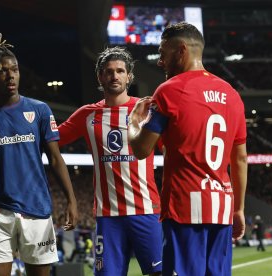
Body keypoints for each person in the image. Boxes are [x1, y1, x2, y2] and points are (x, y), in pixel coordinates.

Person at [128, 22, 247, 275]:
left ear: (181, 50)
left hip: (185, 207)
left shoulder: (170, 90)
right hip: (222, 207)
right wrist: (239, 209)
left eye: (163, 53)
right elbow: (240, 159)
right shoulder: (232, 95)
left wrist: (133, 123)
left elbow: (140, 149)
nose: (160, 61)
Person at [0, 34, 78, 276]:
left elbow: (55, 159)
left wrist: (72, 200)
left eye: (14, 70)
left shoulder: (40, 110)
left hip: (36, 208)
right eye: (3, 71)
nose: (10, 75)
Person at [58, 46, 162, 276]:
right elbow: (54, 137)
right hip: (108, 217)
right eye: (108, 71)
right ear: (100, 77)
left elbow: (172, 148)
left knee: (159, 273)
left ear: (129, 76)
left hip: (146, 210)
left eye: (120, 71)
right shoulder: (87, 114)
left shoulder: (146, 110)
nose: (114, 76)